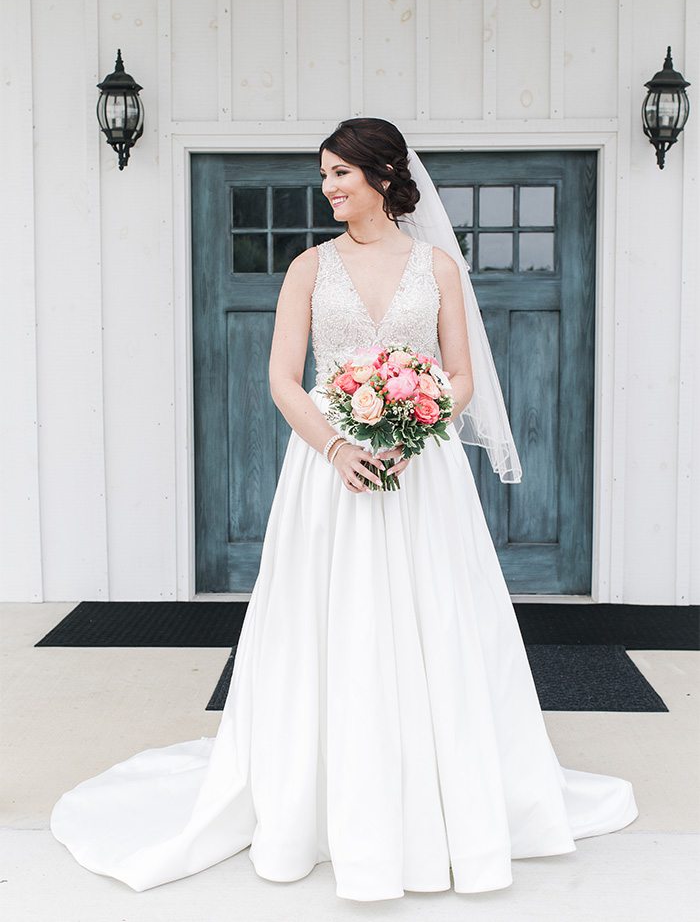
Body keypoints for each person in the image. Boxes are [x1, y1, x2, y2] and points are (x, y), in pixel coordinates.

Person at [50, 118, 638, 901]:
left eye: (340, 174)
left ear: (385, 176)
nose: (327, 187)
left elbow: (459, 374)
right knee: (330, 619)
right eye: (323, 174)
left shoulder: (437, 269)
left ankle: (438, 796)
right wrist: (336, 447)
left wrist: (418, 426)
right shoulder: (307, 267)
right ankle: (319, 795)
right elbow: (285, 380)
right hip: (330, 469)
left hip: (418, 472)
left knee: (432, 618)